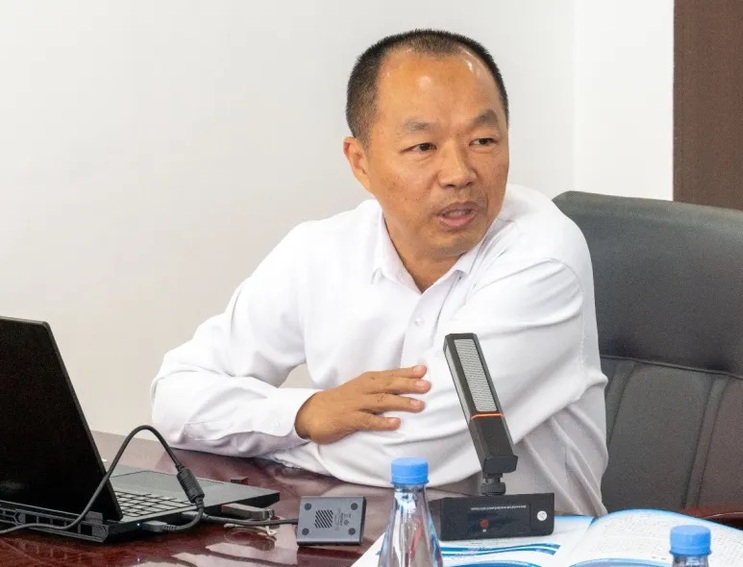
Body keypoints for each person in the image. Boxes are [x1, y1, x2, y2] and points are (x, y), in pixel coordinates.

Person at [151, 29, 608, 515]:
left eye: (483, 140)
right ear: (360, 162)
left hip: (526, 546)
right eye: (423, 146)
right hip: (355, 539)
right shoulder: (319, 252)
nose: (459, 173)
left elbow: (412, 455)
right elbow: (175, 396)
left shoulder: (543, 257)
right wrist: (304, 413)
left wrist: (270, 437)